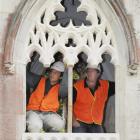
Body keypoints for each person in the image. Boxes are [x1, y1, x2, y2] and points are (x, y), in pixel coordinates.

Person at [72, 64, 115, 133]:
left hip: (96, 123)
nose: (89, 73)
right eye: (88, 71)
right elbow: (69, 105)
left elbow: (121, 85)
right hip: (79, 122)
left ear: (98, 74)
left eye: (92, 71)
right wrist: (73, 120)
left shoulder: (106, 86)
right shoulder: (76, 87)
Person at [26, 61, 66, 132]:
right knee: (35, 126)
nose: (52, 74)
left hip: (49, 114)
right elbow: (26, 75)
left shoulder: (60, 88)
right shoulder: (38, 80)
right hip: (33, 111)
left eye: (56, 73)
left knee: (59, 124)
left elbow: (72, 87)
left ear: (61, 76)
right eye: (52, 71)